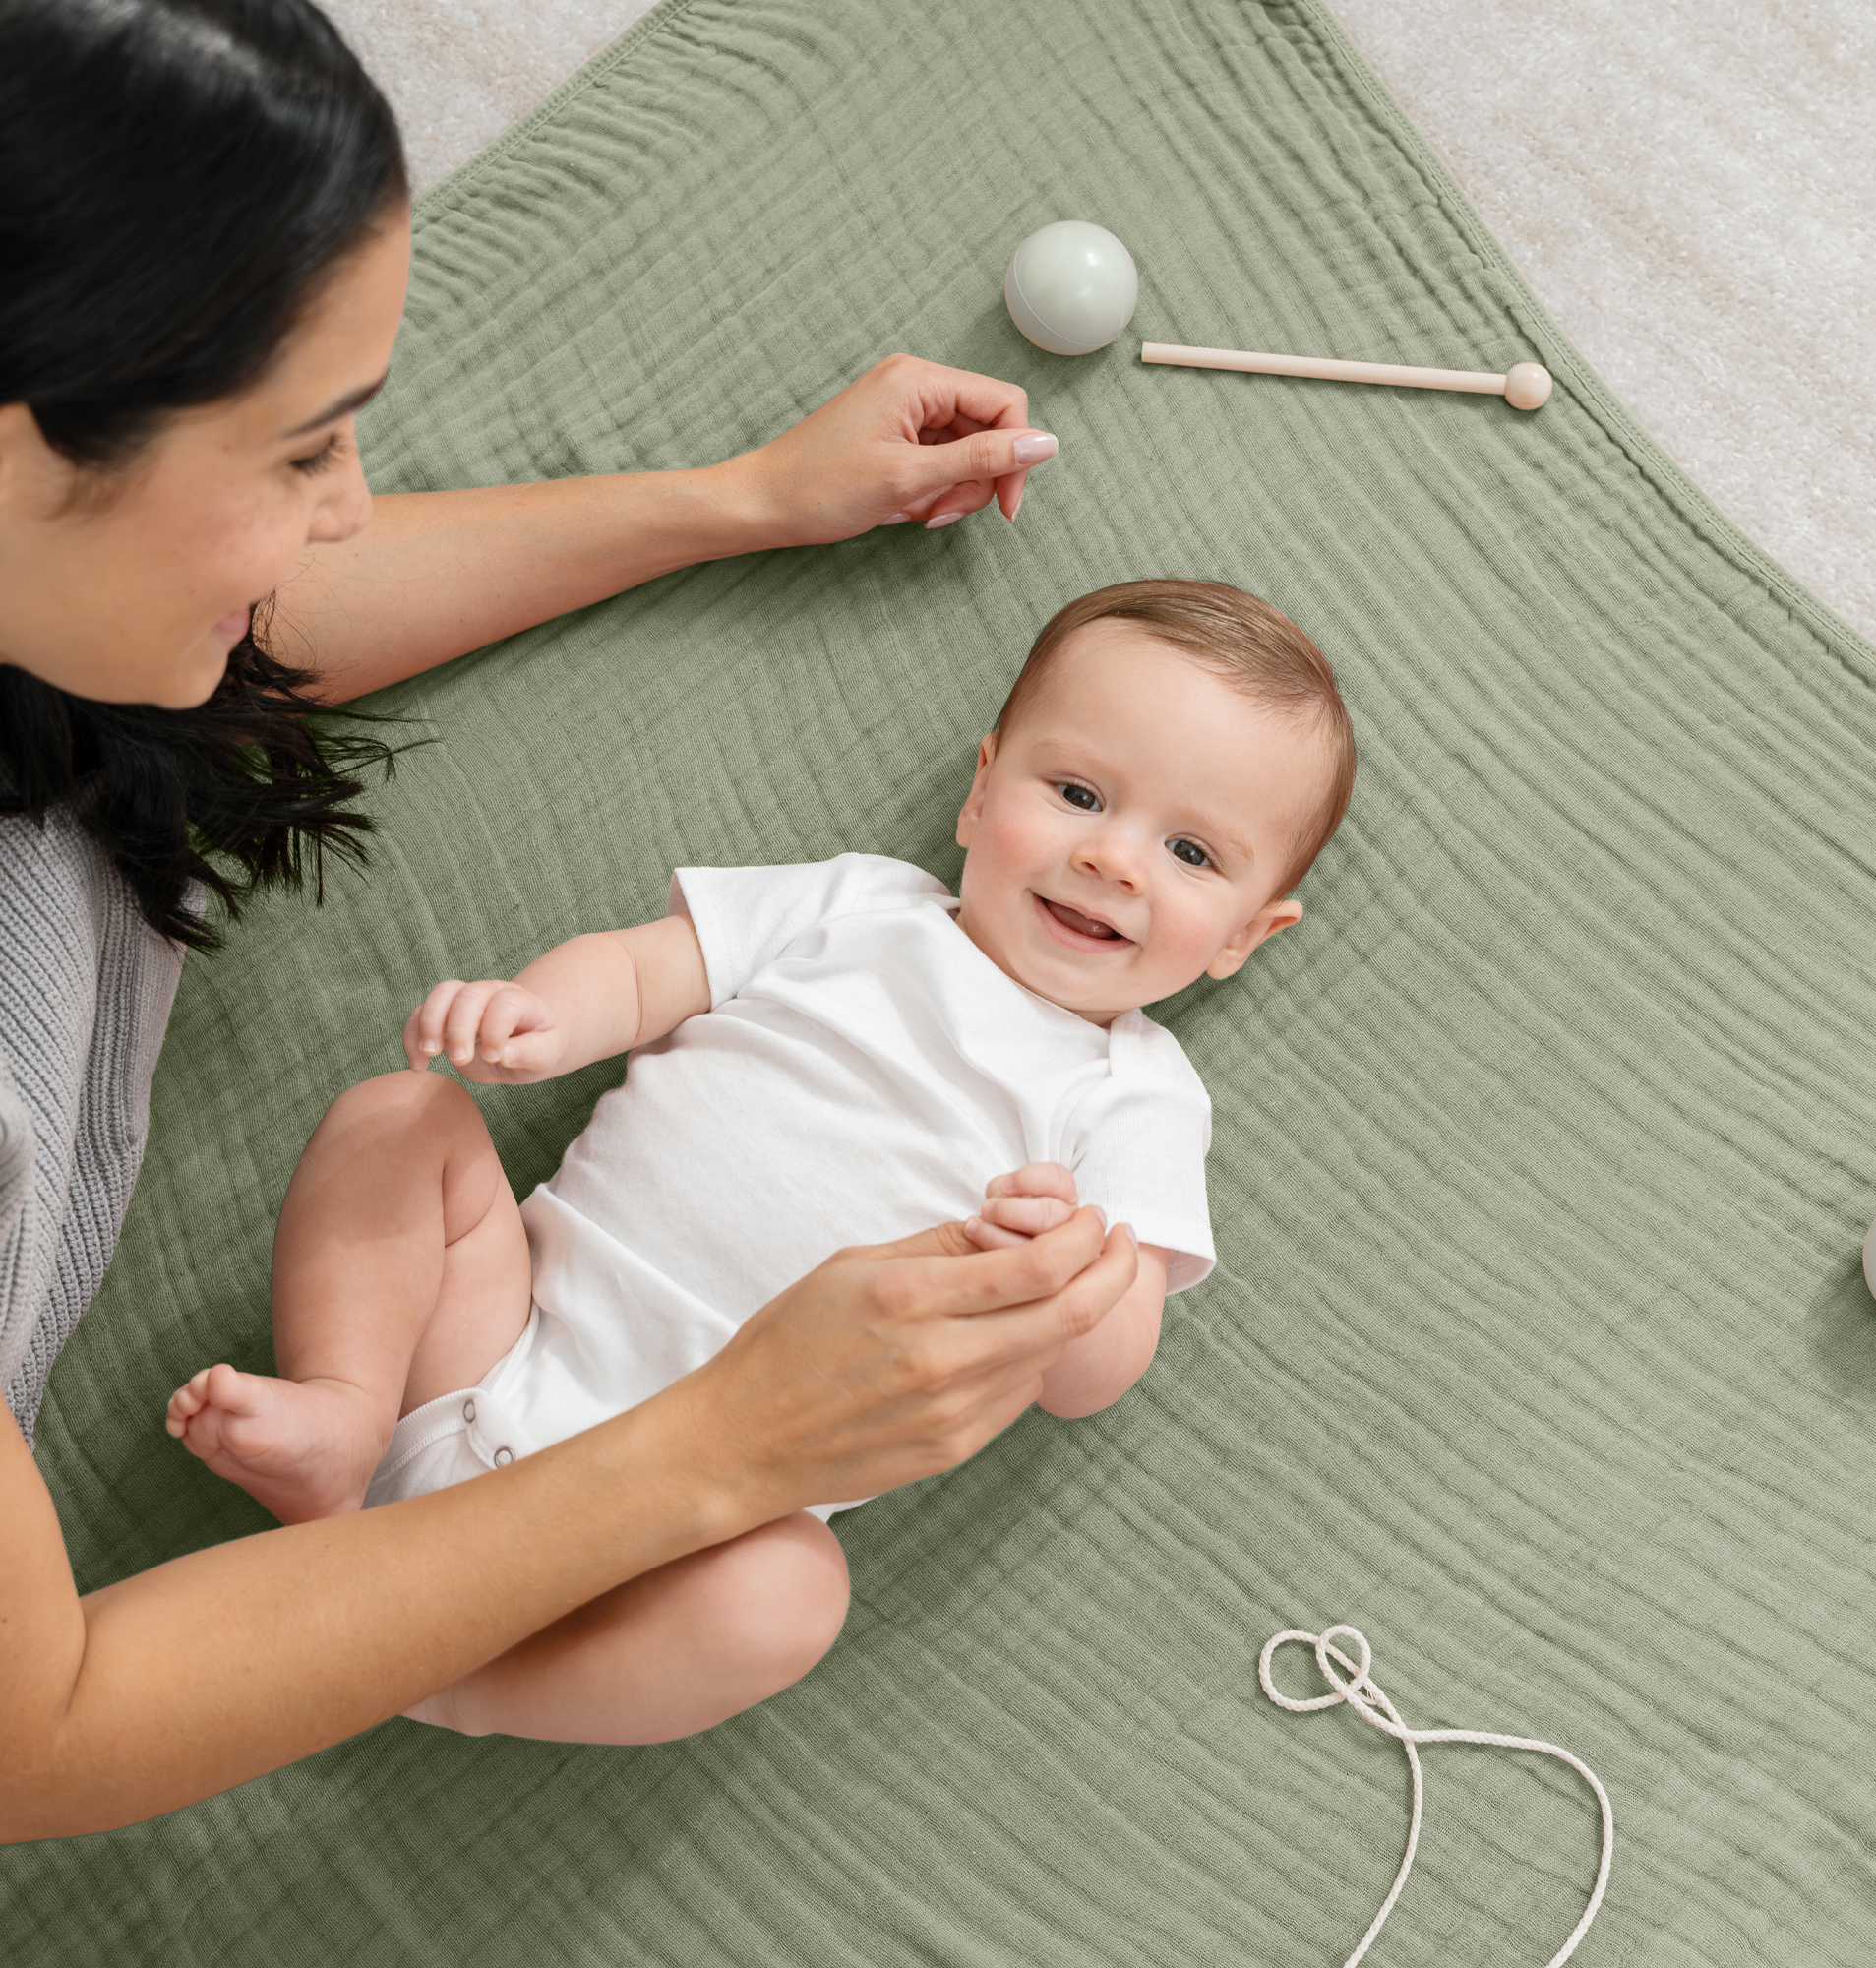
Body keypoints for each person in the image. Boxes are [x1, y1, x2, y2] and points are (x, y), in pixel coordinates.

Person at [0, 0, 1134, 1845]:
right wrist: (728, 1446)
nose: (351, 510)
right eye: (306, 451)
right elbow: (31, 1739)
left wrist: (738, 502)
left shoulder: (66, 592)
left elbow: (236, 614)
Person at [164, 579, 1356, 1745]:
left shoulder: (1133, 1095)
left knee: (788, 1593)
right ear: (981, 787)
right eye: (1079, 790)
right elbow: (644, 970)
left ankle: (447, 1684)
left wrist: (1059, 1285)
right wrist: (538, 1019)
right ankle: (346, 1416)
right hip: (492, 1339)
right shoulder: (857, 906)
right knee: (398, 1116)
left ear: (1249, 933)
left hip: (685, 1528)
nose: (1114, 860)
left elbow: (1092, 1372)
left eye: (1193, 853)